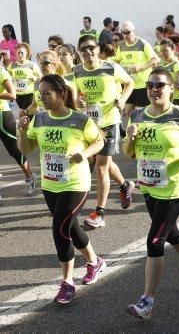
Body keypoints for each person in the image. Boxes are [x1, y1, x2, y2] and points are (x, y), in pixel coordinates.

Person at [123, 68, 179, 319]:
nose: (154, 89)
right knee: (171, 233)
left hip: (175, 187)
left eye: (160, 85)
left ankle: (147, 301)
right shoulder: (138, 115)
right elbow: (128, 153)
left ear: (171, 89)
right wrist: (130, 137)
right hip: (150, 186)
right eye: (151, 85)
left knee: (155, 241)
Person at [18, 74, 106, 304]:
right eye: (40, 93)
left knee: (60, 230)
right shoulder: (39, 119)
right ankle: (95, 262)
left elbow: (99, 141)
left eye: (47, 93)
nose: (42, 97)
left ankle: (67, 283)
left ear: (61, 93)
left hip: (76, 183)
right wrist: (21, 130)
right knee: (73, 229)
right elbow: (26, 148)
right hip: (50, 183)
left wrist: (84, 154)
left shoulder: (79, 120)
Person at [73, 35, 135, 229]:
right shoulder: (77, 70)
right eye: (83, 49)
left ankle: (99, 213)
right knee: (103, 163)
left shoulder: (111, 67)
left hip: (109, 123)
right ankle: (125, 185)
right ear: (79, 52)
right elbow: (77, 97)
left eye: (91, 47)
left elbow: (129, 83)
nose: (88, 52)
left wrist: (123, 99)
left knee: (100, 166)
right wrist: (79, 103)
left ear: (98, 49)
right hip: (90, 125)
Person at [0, 45, 36, 202]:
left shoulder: (1, 73)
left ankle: (30, 177)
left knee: (14, 151)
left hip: (3, 117)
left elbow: (12, 94)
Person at [114, 21, 159, 117]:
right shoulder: (121, 46)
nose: (126, 35)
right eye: (123, 33)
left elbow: (155, 59)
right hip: (128, 85)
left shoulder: (142, 43)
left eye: (128, 32)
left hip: (142, 85)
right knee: (129, 113)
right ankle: (130, 131)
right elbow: (117, 61)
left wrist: (140, 67)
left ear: (134, 31)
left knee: (140, 114)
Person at [8, 42, 42, 111]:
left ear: (26, 53)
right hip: (17, 94)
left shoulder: (32, 65)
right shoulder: (12, 65)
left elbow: (40, 77)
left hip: (29, 94)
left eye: (22, 53)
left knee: (27, 112)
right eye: (18, 53)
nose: (20, 55)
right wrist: (10, 79)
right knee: (22, 112)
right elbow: (7, 76)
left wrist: (34, 78)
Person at [159, 38, 179, 106]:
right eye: (161, 51)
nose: (163, 53)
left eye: (166, 50)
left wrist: (165, 80)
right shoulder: (163, 65)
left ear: (173, 50)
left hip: (178, 100)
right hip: (167, 99)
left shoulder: (177, 65)